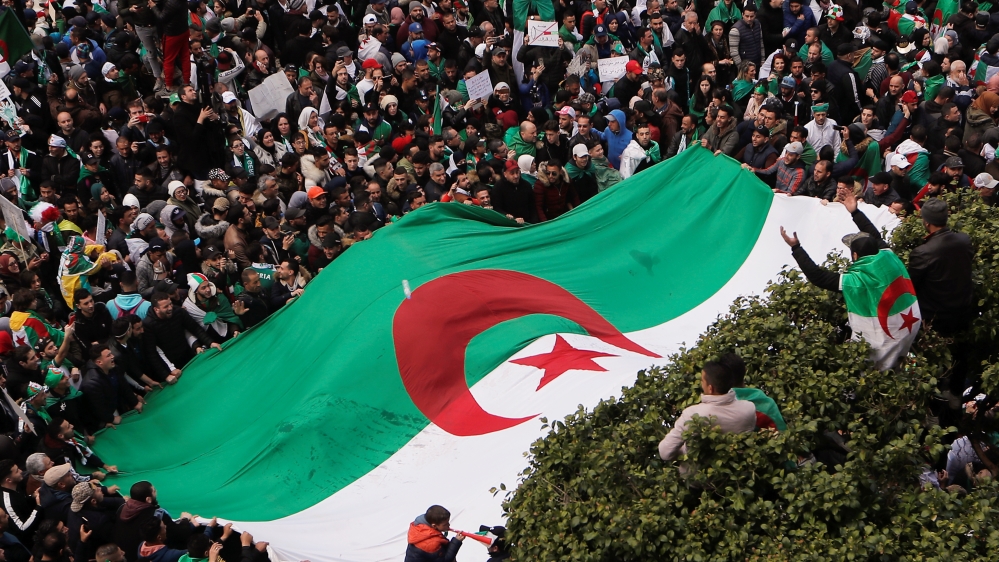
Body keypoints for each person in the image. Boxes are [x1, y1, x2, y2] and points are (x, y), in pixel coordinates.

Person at [781, 188, 920, 369]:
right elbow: (876, 236)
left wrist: (796, 248)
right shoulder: (889, 256)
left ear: (855, 255)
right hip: (909, 328)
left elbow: (818, 277)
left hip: (884, 342)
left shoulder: (856, 281)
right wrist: (855, 212)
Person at [657, 360, 756, 461]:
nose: (701, 384)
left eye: (702, 381)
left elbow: (665, 452)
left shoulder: (693, 414)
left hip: (698, 474)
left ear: (710, 388)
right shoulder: (749, 408)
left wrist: (686, 453)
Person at [906, 199, 973, 335]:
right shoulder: (964, 240)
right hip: (964, 309)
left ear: (927, 222)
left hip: (936, 316)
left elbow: (911, 284)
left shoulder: (923, 252)